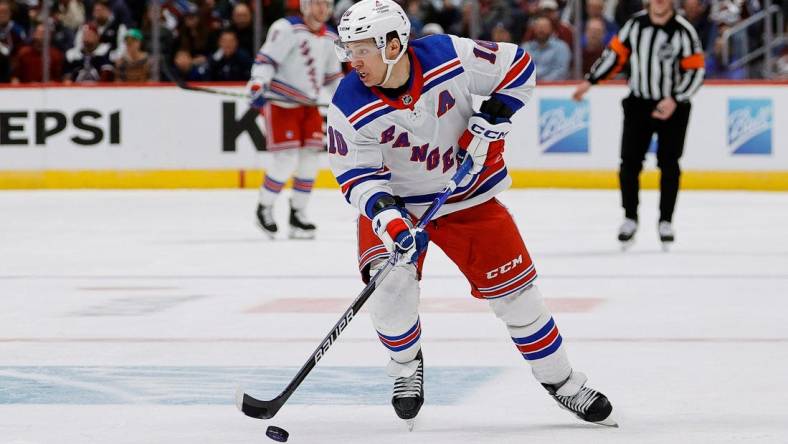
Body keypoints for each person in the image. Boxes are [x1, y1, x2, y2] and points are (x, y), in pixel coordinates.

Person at [328, 0, 616, 429]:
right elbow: (356, 175)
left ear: (393, 44)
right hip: (400, 206)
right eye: (348, 50)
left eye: (362, 49)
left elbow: (518, 66)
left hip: (470, 198)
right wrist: (390, 220)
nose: (354, 60)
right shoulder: (348, 100)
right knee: (390, 289)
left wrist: (495, 116)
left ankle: (564, 383)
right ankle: (407, 368)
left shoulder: (448, 55)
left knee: (519, 298)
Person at [572, 0, 705, 250]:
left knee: (669, 164)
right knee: (629, 164)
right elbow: (614, 57)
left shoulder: (683, 30)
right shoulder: (635, 25)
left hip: (673, 107)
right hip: (638, 104)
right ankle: (630, 218)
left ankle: (666, 220)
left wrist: (675, 98)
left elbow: (696, 71)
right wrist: (591, 81)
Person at [246, 0, 343, 239]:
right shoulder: (286, 28)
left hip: (309, 106)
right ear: (305, 6)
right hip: (282, 104)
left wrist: (344, 99)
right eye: (318, 3)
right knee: (286, 161)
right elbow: (266, 60)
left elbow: (332, 78)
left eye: (327, 4)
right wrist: (258, 83)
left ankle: (298, 214)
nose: (323, 9)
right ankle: (265, 207)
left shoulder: (330, 37)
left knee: (310, 160)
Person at [521, 15, 571, 80]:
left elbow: (561, 71)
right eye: (538, 27)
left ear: (551, 29)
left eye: (544, 27)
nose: (541, 29)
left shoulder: (561, 47)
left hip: (553, 87)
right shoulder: (525, 47)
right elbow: (521, 70)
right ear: (534, 29)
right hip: (529, 86)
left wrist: (542, 82)